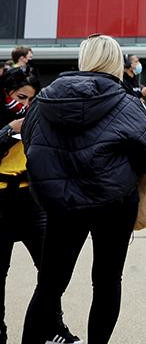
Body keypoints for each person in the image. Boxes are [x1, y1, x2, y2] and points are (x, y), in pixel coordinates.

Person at [21, 34, 146, 344]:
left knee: (49, 284)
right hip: (114, 201)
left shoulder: (46, 99)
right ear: (116, 61)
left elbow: (31, 143)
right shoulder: (125, 101)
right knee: (107, 280)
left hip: (61, 203)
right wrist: (123, 167)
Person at [0, 68, 80, 344]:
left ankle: (52, 327)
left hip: (33, 201)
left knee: (51, 271)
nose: (26, 105)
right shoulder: (8, 118)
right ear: (7, 94)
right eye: (21, 97)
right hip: (0, 202)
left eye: (32, 100)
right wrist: (8, 130)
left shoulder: (39, 117)